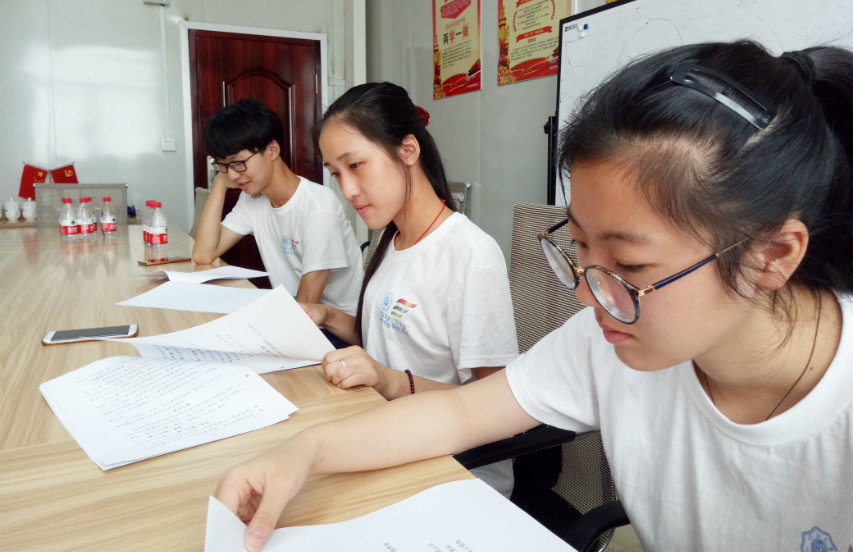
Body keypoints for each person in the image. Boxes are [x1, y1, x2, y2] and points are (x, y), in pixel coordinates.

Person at [215, 42, 853, 552]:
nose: (587, 297)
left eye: (629, 264)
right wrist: (303, 453)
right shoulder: (606, 341)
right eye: (579, 247)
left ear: (772, 255)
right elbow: (462, 413)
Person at [301, 82, 519, 496]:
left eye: (356, 165)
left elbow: (497, 405)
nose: (347, 190)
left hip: (455, 469)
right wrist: (325, 315)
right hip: (388, 439)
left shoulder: (471, 254)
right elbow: (387, 341)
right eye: (336, 174)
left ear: (408, 150)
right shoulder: (390, 239)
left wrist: (388, 381)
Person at [192, 98, 363, 322]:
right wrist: (219, 184)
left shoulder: (318, 207)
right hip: (293, 311)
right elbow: (203, 254)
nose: (232, 174)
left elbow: (306, 311)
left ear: (272, 150)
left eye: (238, 163)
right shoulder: (251, 199)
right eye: (224, 166)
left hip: (332, 327)